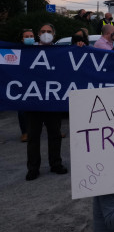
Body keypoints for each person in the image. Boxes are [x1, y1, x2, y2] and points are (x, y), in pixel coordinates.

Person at [25, 24, 67, 181]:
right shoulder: (28, 52)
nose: (46, 34)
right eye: (43, 31)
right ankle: (33, 168)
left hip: (52, 101)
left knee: (55, 134)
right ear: (38, 34)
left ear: (54, 35)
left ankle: (56, 164)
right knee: (33, 136)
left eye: (49, 32)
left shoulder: (61, 53)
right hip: (33, 101)